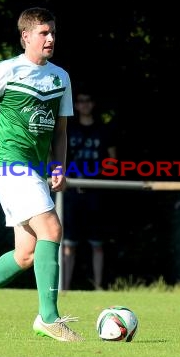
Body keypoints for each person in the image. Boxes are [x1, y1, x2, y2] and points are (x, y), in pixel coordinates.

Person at [0, 7, 83, 342]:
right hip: (9, 163)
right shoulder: (6, 70)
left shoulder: (60, 77)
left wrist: (58, 166)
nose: (50, 38)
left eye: (52, 32)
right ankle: (49, 318)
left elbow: (61, 130)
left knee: (26, 254)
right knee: (52, 226)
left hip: (35, 168)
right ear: (25, 36)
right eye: (43, 33)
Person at [61, 88, 117, 291]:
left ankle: (98, 287)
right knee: (68, 244)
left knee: (97, 243)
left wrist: (96, 175)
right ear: (75, 105)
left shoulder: (103, 130)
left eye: (88, 100)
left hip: (96, 192)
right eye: (80, 101)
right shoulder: (69, 128)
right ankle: (64, 287)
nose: (84, 104)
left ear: (93, 104)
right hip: (71, 192)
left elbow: (112, 160)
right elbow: (56, 155)